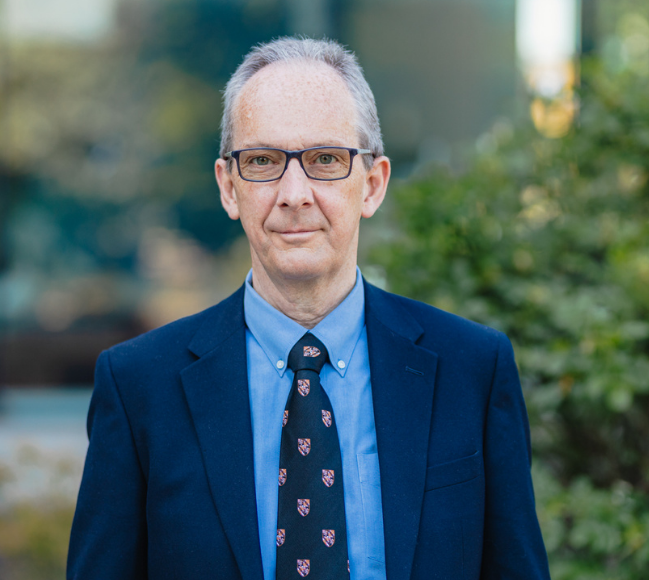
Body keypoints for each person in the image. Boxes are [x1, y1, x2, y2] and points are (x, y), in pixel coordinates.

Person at [67, 37, 550, 580]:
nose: (294, 193)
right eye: (264, 161)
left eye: (324, 159)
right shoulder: (139, 388)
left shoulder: (472, 370)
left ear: (372, 184)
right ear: (229, 187)